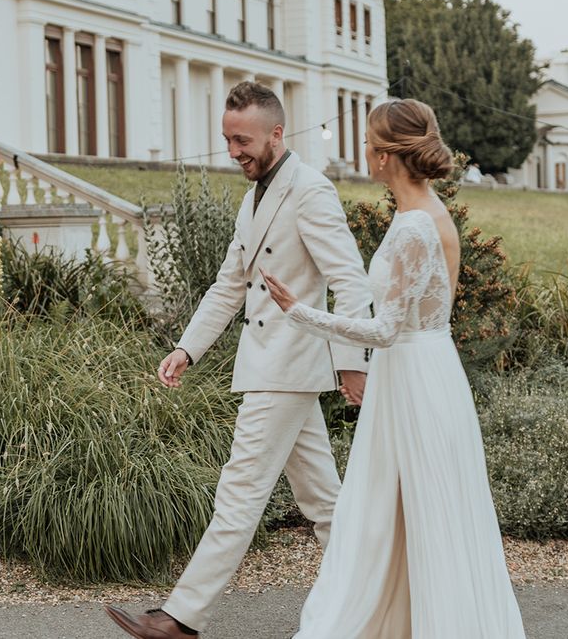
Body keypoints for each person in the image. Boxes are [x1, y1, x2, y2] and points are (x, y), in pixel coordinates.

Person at [105, 81, 373, 639]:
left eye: (243, 140)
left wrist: (354, 362)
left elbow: (350, 280)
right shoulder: (255, 197)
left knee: (239, 492)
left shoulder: (310, 191)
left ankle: (181, 617)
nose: (233, 152)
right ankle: (375, 601)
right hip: (277, 368)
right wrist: (186, 348)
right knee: (327, 505)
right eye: (227, 140)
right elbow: (229, 286)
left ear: (277, 133)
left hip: (287, 365)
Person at [261, 98, 527, 638]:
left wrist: (301, 314)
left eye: (366, 142)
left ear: (384, 156)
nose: (361, 150)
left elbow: (386, 330)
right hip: (425, 368)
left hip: (413, 374)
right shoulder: (427, 213)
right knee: (410, 509)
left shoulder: (413, 228)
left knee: (412, 508)